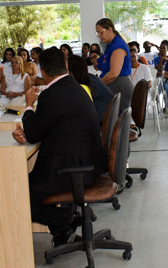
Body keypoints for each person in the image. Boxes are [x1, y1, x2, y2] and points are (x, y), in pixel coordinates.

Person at [12, 47, 105, 246]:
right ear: (65, 66)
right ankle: (63, 232)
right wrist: (30, 130)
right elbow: (47, 126)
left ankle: (65, 220)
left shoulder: (51, 94)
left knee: (17, 190)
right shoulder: (74, 86)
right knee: (29, 184)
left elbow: (34, 133)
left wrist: (29, 105)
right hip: (89, 162)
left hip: (74, 169)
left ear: (42, 71)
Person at [96, 18, 134, 112]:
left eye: (101, 32)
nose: (99, 36)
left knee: (119, 122)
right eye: (97, 33)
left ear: (109, 30)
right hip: (113, 85)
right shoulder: (110, 44)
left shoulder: (118, 46)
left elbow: (113, 74)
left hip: (120, 87)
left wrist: (99, 84)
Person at [67, 55, 113, 121]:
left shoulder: (85, 87)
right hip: (105, 120)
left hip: (101, 124)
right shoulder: (90, 78)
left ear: (71, 72)